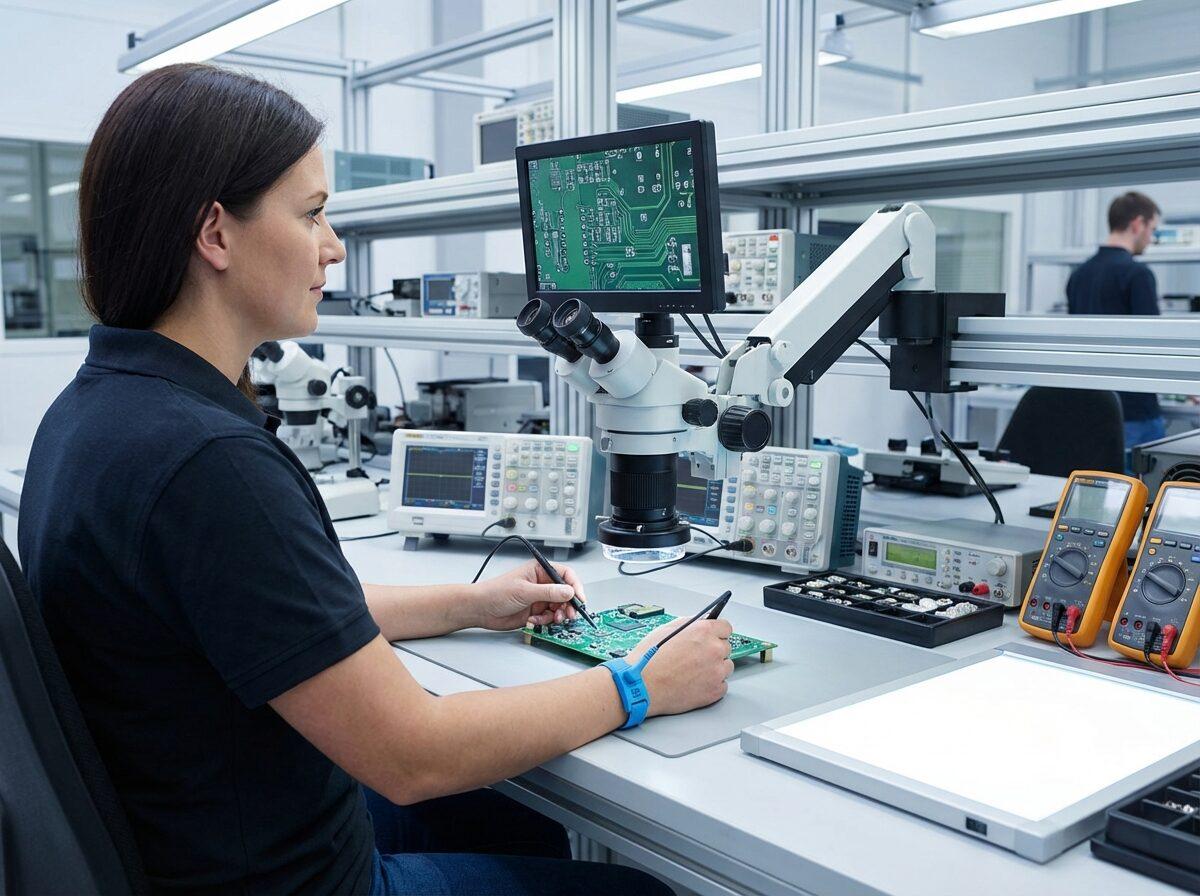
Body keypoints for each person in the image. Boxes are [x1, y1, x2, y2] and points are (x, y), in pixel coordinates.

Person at [18, 64, 732, 896]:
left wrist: (468, 605)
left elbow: (275, 615)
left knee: (518, 813)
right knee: (641, 889)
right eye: (312, 214)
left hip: (200, 836)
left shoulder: (97, 411)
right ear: (216, 234)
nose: (332, 247)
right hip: (292, 880)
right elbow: (413, 754)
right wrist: (641, 685)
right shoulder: (206, 463)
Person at [1066, 191, 1164, 449]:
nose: (1151, 239)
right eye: (1151, 229)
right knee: (1146, 487)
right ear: (1137, 224)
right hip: (1135, 410)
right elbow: (1156, 342)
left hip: (1091, 408)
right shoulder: (1138, 274)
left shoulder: (1079, 275)